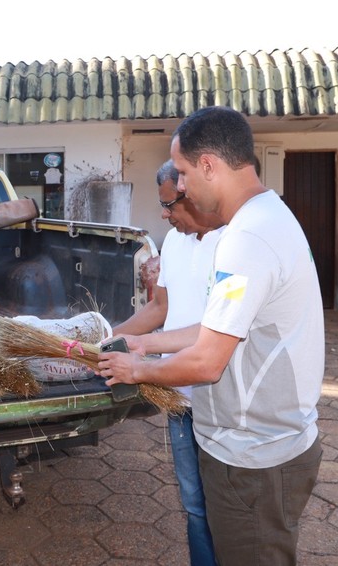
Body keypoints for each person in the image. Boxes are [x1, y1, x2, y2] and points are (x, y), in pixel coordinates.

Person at [99, 106, 324, 565]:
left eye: (181, 173)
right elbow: (218, 328)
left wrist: (137, 368)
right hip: (256, 446)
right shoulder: (266, 218)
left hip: (255, 456)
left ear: (208, 166)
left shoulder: (248, 239)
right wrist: (146, 342)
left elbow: (207, 361)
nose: (178, 187)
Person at [111, 159, 223, 566]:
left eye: (169, 204)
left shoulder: (233, 244)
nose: (163, 214)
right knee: (194, 506)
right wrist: (112, 338)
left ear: (193, 194)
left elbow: (216, 330)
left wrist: (142, 356)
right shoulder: (175, 242)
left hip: (220, 400)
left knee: (227, 511)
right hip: (179, 397)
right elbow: (160, 307)